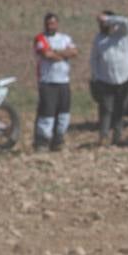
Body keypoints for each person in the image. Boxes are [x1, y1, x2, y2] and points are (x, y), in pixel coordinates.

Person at [34, 12, 78, 151]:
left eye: (53, 23)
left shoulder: (65, 38)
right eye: (48, 24)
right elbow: (46, 54)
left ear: (57, 24)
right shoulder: (40, 38)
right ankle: (42, 141)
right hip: (47, 82)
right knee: (47, 114)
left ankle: (58, 140)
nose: (50, 26)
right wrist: (62, 53)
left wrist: (57, 52)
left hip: (63, 82)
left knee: (64, 114)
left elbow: (74, 52)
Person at [89, 10, 128, 147]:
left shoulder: (122, 34)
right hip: (105, 80)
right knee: (106, 109)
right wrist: (96, 76)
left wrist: (109, 18)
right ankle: (103, 136)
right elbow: (94, 59)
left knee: (120, 109)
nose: (102, 25)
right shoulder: (98, 39)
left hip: (124, 78)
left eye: (104, 23)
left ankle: (117, 137)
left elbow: (125, 21)